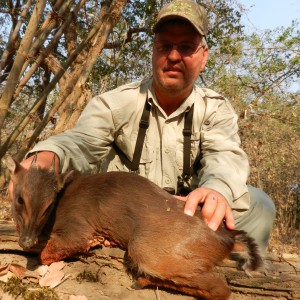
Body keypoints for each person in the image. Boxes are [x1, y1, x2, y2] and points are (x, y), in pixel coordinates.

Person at [9, 0, 275, 255]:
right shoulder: (115, 103)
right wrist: (46, 157)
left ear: (203, 57)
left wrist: (217, 190)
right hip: (126, 214)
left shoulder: (215, 109)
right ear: (153, 51)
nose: (173, 56)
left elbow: (225, 157)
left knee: (260, 205)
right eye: (165, 45)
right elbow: (80, 142)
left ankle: (235, 273)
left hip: (182, 211)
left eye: (185, 47)